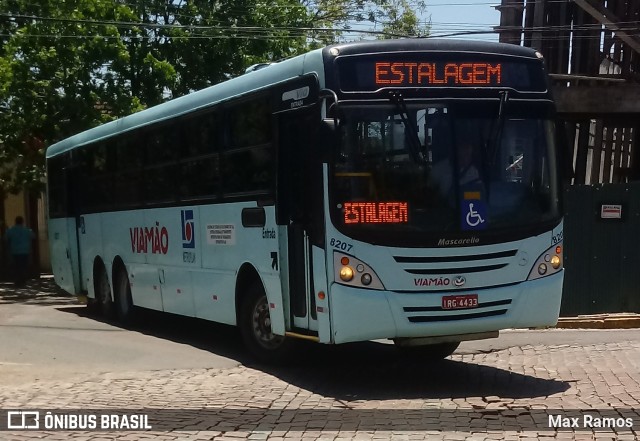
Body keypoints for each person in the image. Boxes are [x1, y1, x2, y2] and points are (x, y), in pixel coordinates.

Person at [5, 216, 35, 286]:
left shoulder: (11, 230)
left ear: (15, 222)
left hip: (15, 251)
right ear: (22, 222)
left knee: (16, 266)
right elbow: (33, 236)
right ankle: (23, 280)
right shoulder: (27, 230)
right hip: (25, 251)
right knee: (23, 266)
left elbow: (5, 238)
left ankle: (17, 280)